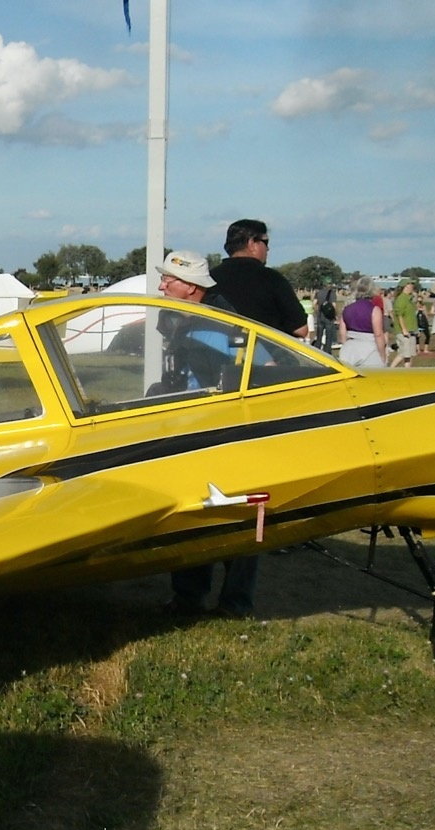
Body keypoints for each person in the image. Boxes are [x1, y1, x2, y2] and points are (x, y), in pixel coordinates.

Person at [157, 248, 256, 620]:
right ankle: (190, 596)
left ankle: (233, 602)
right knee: (191, 511)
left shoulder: (212, 327)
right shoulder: (184, 319)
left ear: (192, 287)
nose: (162, 284)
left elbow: (258, 368)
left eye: (169, 279)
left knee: (234, 514)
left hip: (222, 433)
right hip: (196, 429)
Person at [208, 219, 308, 339]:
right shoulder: (272, 279)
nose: (268, 248)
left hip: (216, 353)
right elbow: (301, 330)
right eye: (265, 242)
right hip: (266, 354)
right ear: (252, 244)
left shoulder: (209, 279)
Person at [338, 276, 387, 369]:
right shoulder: (374, 310)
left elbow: (342, 332)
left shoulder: (347, 309)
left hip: (349, 350)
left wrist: (345, 346)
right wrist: (383, 355)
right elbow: (378, 334)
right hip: (370, 350)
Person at [390, 281, 419, 367]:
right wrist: (404, 329)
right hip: (403, 331)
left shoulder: (409, 299)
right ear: (404, 287)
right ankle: (390, 370)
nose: (411, 287)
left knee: (409, 354)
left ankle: (407, 372)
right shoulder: (401, 299)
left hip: (412, 329)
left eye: (411, 285)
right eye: (408, 286)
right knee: (403, 352)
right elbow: (399, 315)